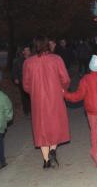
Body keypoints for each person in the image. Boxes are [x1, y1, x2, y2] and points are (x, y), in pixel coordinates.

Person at [23, 36, 71, 169]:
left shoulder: (28, 62)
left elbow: (26, 84)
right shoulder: (56, 59)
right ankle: (53, 150)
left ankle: (45, 161)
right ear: (47, 45)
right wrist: (62, 88)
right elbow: (65, 79)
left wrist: (33, 91)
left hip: (38, 99)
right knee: (55, 124)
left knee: (41, 127)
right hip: (55, 96)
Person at [63, 55, 97, 167]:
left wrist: (65, 94)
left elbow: (78, 96)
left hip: (90, 111)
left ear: (90, 66)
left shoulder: (85, 79)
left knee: (94, 131)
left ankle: (94, 152)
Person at [12, 45, 32, 115]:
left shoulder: (33, 59)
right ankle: (26, 110)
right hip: (22, 80)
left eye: (29, 50)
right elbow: (15, 70)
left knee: (31, 95)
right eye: (26, 50)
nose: (28, 51)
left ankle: (32, 109)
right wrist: (15, 78)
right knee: (24, 96)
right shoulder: (18, 60)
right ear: (23, 52)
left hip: (32, 80)